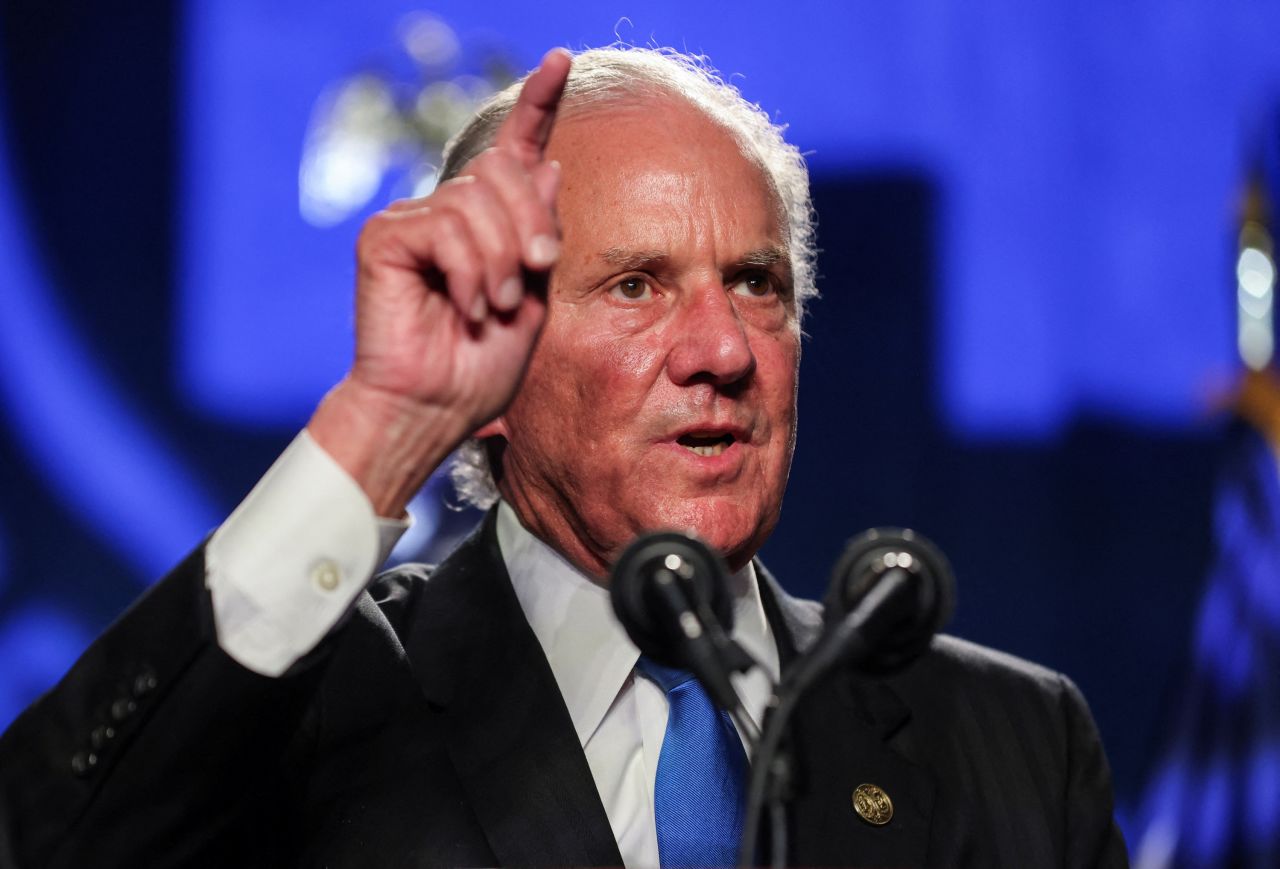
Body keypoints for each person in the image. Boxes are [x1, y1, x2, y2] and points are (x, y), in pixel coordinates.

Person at [0, 46, 1128, 868]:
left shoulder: (1015, 743)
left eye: (755, 284)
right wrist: (384, 424)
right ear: (496, 368)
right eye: (635, 284)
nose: (723, 350)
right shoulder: (315, 717)